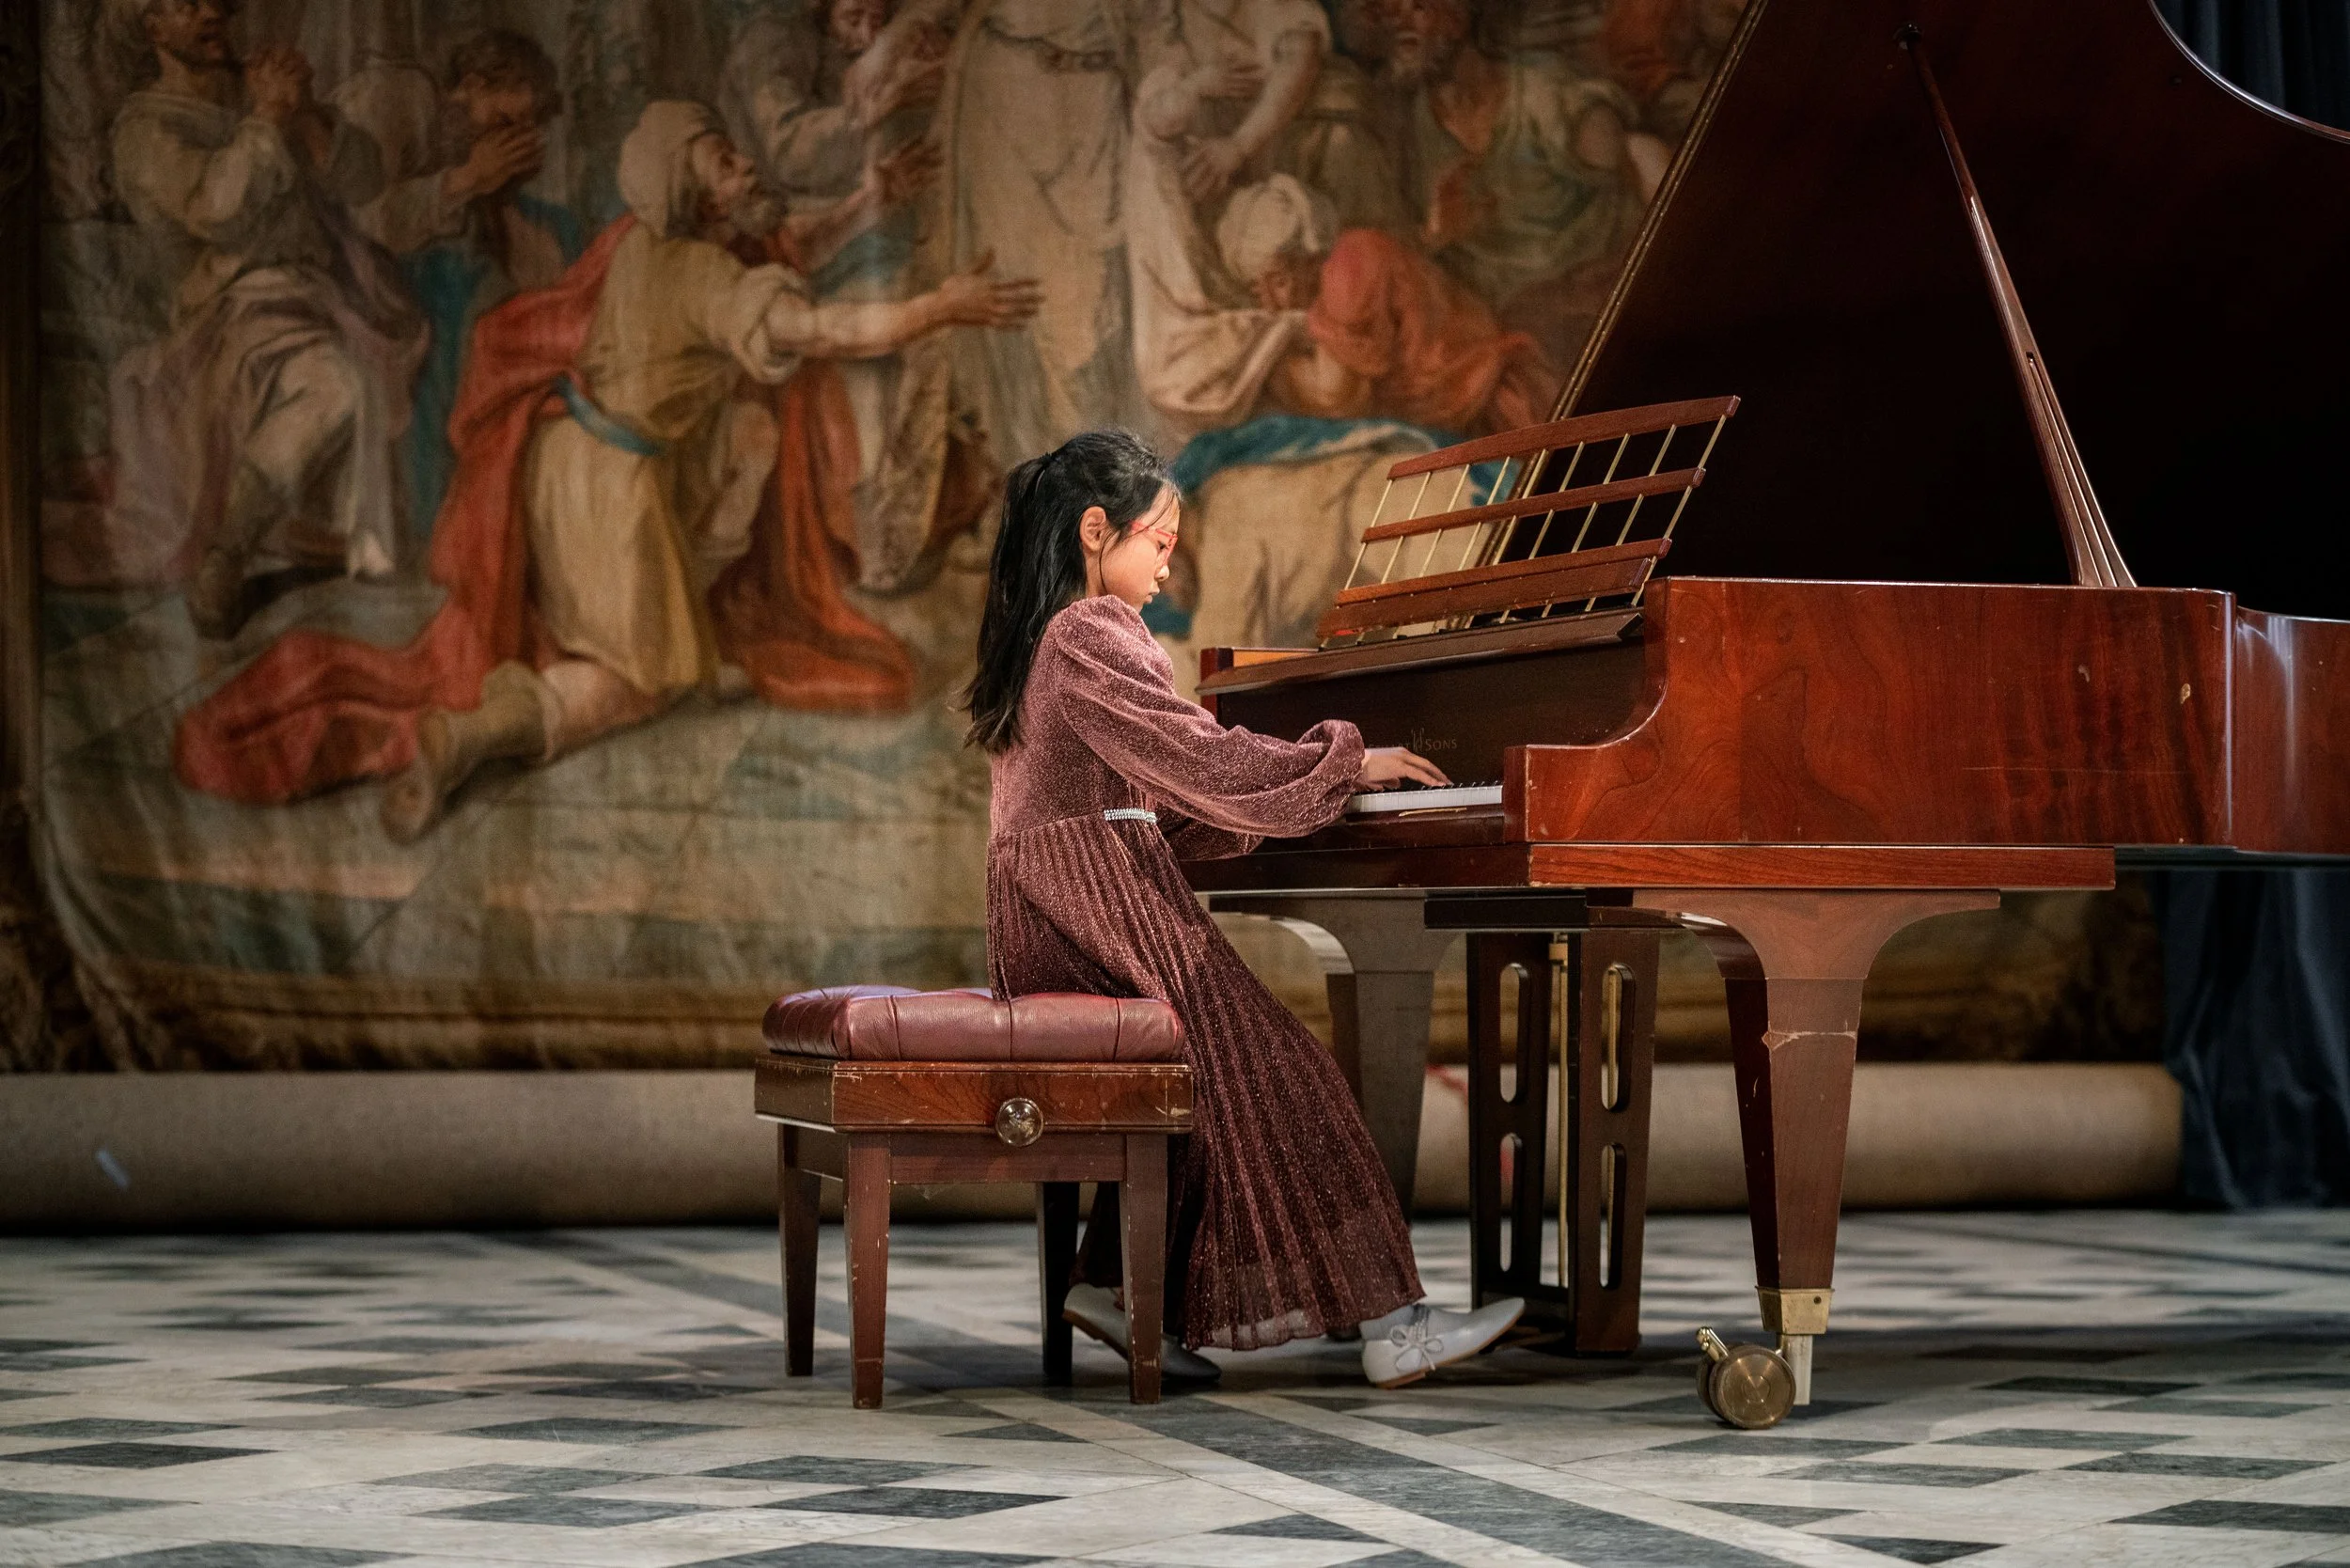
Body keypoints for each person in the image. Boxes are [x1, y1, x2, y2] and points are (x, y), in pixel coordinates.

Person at [171, 102, 1041, 831]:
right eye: (726, 161)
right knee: (641, 684)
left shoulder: (638, 244)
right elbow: (820, 328)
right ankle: (475, 735)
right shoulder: (704, 277)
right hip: (608, 497)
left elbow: (786, 246)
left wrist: (865, 200)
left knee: (741, 444)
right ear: (691, 187)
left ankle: (653, 640)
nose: (745, 172)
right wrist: (941, 307)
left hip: (563, 463)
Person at [964, 427, 1525, 1385]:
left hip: (1062, 914)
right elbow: (1200, 758)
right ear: (1096, 532)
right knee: (1283, 1075)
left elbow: (1156, 790)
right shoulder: (1089, 632)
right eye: (1158, 543)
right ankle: (1396, 1325)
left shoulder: (1041, 640)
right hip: (1095, 911)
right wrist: (1344, 760)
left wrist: (1268, 804)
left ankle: (1113, 1287)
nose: (1164, 569)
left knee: (1213, 1082)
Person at [104, 0, 428, 638]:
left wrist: (303, 112)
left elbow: (363, 182)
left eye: (215, 1)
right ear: (152, 28)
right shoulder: (145, 128)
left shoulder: (251, 96)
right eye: (186, 5)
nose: (212, 12)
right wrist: (270, 117)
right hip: (229, 318)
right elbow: (214, 209)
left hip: (318, 299)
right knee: (334, 385)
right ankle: (228, 550)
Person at [334, 27, 580, 534]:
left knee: (561, 253)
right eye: (504, 120)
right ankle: (446, 522)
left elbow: (489, 222)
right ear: (469, 86)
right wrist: (470, 179)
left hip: (449, 265)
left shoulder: (475, 142)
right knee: (465, 318)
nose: (511, 136)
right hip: (378, 282)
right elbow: (369, 219)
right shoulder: (401, 105)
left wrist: (498, 193)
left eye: (525, 127)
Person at [1220, 174, 1553, 433]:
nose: (1270, 304)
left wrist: (1261, 364)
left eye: (1278, 280)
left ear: (1307, 257)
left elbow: (1334, 396)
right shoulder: (1349, 254)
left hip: (1491, 409)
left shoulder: (1347, 273)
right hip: (1460, 407)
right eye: (1256, 289)